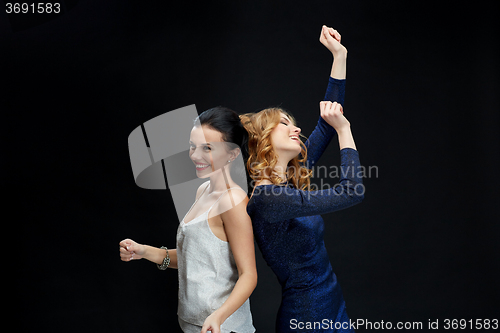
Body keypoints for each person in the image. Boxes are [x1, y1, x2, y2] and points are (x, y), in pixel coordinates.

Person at [240, 26, 363, 332]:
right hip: (308, 318)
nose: (296, 129)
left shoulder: (287, 183)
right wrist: (344, 130)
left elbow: (325, 120)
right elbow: (353, 191)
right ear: (264, 139)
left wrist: (339, 55)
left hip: (334, 308)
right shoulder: (268, 199)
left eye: (294, 124)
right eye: (284, 124)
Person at [119, 107, 257, 333]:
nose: (195, 155)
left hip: (222, 328)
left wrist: (218, 317)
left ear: (232, 154)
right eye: (193, 147)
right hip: (192, 325)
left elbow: (249, 275)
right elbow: (193, 257)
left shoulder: (232, 200)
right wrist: (143, 251)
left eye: (207, 148)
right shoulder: (203, 190)